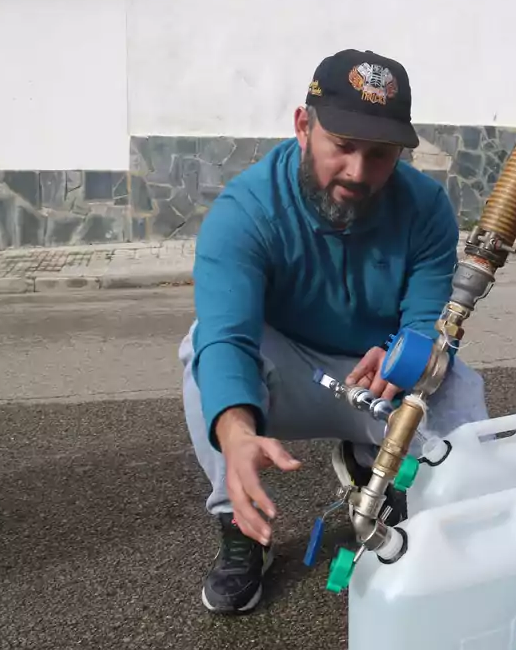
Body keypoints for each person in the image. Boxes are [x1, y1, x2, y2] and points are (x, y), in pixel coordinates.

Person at [179, 48, 490, 614]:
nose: (358, 172)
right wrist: (235, 431)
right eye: (341, 146)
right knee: (200, 353)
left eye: (380, 155)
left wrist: (407, 357)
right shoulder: (246, 210)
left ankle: (383, 474)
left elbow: (430, 323)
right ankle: (240, 524)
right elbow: (227, 338)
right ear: (303, 126)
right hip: (288, 374)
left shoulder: (425, 209)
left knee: (461, 389)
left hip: (376, 377)